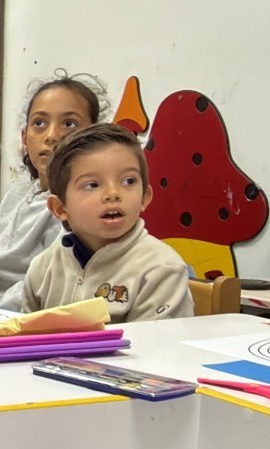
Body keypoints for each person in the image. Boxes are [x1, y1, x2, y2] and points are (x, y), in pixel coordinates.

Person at [0, 74, 104, 310]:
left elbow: (42, 287)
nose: (51, 136)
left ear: (93, 136)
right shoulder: (16, 196)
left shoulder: (80, 208)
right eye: (39, 123)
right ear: (25, 138)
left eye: (69, 124)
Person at [23, 123, 195, 322]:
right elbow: (24, 340)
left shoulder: (161, 269)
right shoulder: (43, 268)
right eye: (92, 185)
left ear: (144, 197)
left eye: (128, 181)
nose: (113, 194)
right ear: (60, 208)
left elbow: (156, 349)